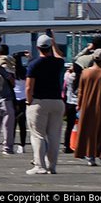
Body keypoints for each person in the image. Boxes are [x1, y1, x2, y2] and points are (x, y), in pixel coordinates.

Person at [26, 33, 65, 175]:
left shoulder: (34, 64)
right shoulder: (58, 63)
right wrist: (53, 42)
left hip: (39, 102)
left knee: (38, 135)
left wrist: (29, 101)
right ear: (50, 46)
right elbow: (60, 56)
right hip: (57, 101)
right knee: (54, 135)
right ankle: (52, 166)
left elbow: (29, 87)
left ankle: (39, 165)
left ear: (37, 47)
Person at [73, 49, 101, 166]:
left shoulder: (85, 73)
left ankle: (90, 156)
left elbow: (80, 91)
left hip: (87, 106)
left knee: (89, 131)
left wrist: (79, 104)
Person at [0, 46, 17, 155]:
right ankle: (7, 147)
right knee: (8, 125)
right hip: (6, 97)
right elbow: (12, 81)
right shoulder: (8, 66)